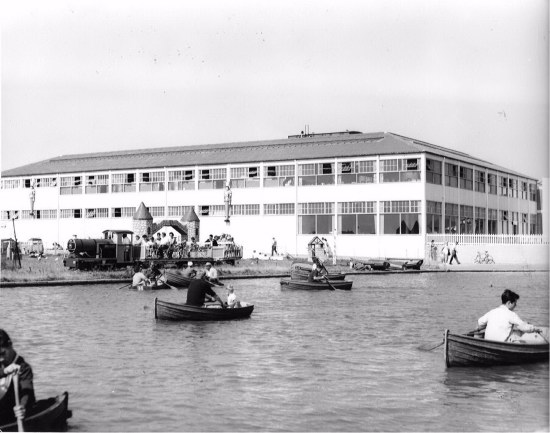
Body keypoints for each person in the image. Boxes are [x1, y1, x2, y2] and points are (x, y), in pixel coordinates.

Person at [476, 289, 546, 343]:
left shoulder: (492, 312)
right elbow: (524, 328)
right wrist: (535, 329)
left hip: (488, 342)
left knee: (515, 332)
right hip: (501, 344)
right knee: (519, 335)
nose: (516, 305)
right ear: (509, 303)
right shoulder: (511, 314)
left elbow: (480, 322)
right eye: (515, 303)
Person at [0, 329, 36, 424]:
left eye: (3, 353)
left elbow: (27, 391)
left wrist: (22, 407)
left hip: (13, 414)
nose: (1, 359)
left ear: (10, 344)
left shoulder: (24, 368)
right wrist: (4, 371)